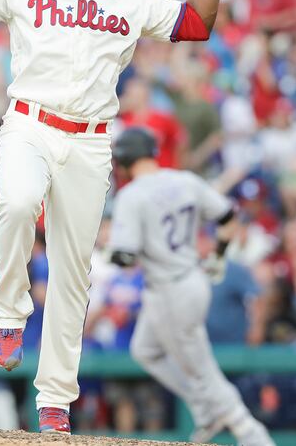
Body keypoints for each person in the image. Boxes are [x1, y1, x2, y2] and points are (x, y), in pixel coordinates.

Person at [0, 0, 225, 433]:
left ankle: (55, 401)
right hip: (30, 123)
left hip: (90, 141)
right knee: (20, 202)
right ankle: (8, 310)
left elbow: (197, 23)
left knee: (73, 273)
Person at [108, 128, 274, 446]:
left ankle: (250, 432)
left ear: (125, 160)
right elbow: (228, 216)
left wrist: (107, 250)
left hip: (170, 289)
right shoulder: (185, 180)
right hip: (192, 280)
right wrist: (219, 254)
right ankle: (204, 408)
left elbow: (125, 258)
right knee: (144, 350)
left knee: (202, 369)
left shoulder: (131, 195)